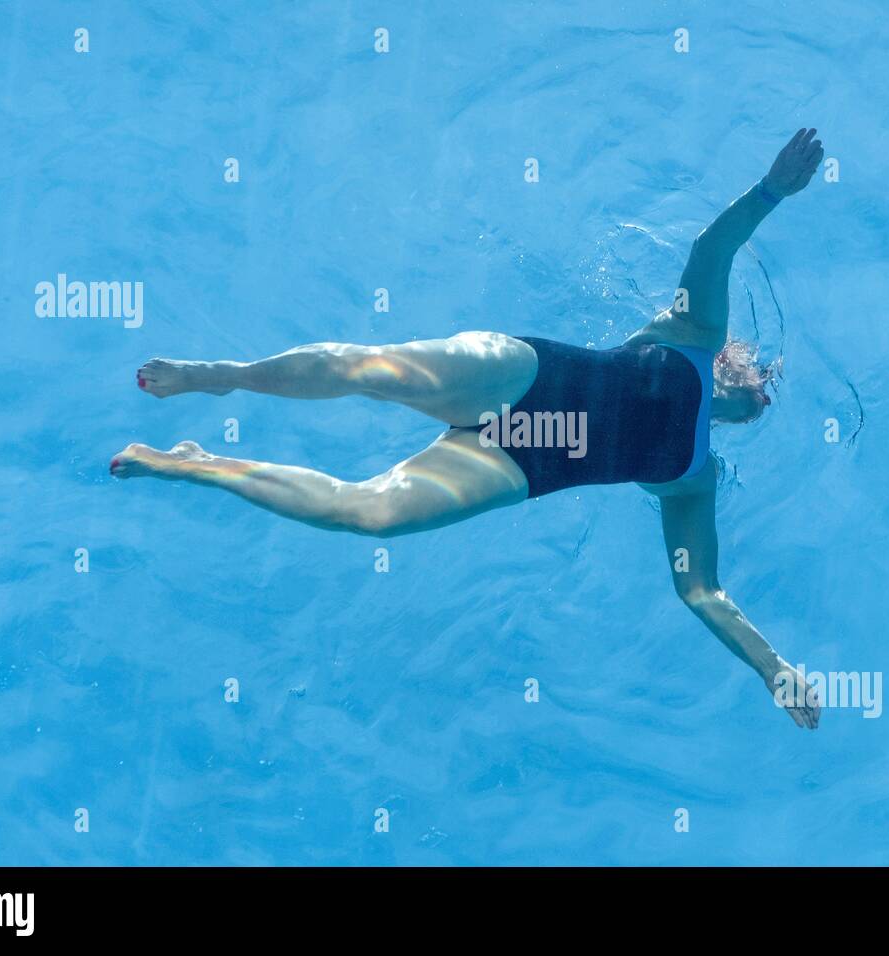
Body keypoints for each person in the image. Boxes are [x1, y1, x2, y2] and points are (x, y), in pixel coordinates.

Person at [111, 129, 825, 728]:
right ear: (742, 364)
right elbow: (713, 248)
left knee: (373, 516)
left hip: (521, 464)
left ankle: (194, 464)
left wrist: (773, 669)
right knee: (373, 370)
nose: (768, 391)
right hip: (522, 374)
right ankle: (221, 375)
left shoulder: (693, 483)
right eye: (770, 376)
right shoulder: (697, 330)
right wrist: (770, 191)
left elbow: (699, 590)